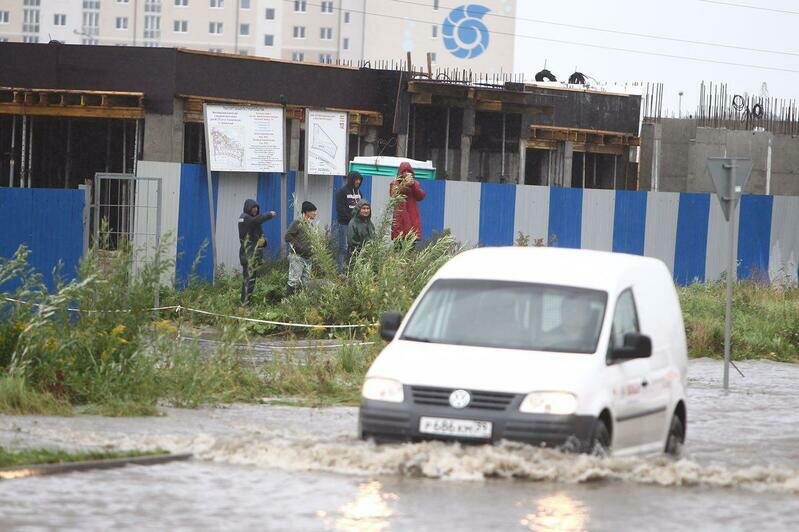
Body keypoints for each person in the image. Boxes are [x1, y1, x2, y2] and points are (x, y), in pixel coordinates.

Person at [238, 199, 277, 305]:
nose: (255, 211)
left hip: (254, 256)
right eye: (253, 208)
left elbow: (260, 236)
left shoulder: (253, 222)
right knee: (248, 280)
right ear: (248, 208)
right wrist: (269, 214)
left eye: (256, 209)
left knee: (251, 280)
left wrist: (264, 242)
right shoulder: (244, 218)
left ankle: (247, 302)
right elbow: (256, 221)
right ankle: (245, 304)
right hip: (248, 255)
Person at [284, 201, 317, 296]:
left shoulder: (310, 224)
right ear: (306, 212)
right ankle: (288, 302)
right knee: (294, 281)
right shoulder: (297, 222)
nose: (315, 213)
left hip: (308, 258)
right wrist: (299, 247)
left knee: (305, 282)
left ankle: (301, 304)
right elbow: (287, 236)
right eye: (313, 211)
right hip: (297, 257)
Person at [390, 162, 425, 244]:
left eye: (408, 171)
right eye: (403, 171)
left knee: (410, 248)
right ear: (400, 173)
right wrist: (404, 184)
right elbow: (393, 195)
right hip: (400, 219)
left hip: (412, 218)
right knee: (398, 248)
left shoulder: (415, 184)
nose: (406, 173)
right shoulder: (395, 183)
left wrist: (413, 185)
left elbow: (420, 196)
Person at [334, 171, 363, 272]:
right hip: (345, 224)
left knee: (354, 248)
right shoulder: (342, 192)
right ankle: (340, 271)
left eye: (359, 179)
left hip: (357, 225)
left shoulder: (359, 193)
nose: (358, 181)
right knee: (343, 247)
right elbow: (340, 209)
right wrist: (351, 219)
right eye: (356, 179)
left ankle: (350, 270)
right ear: (351, 179)